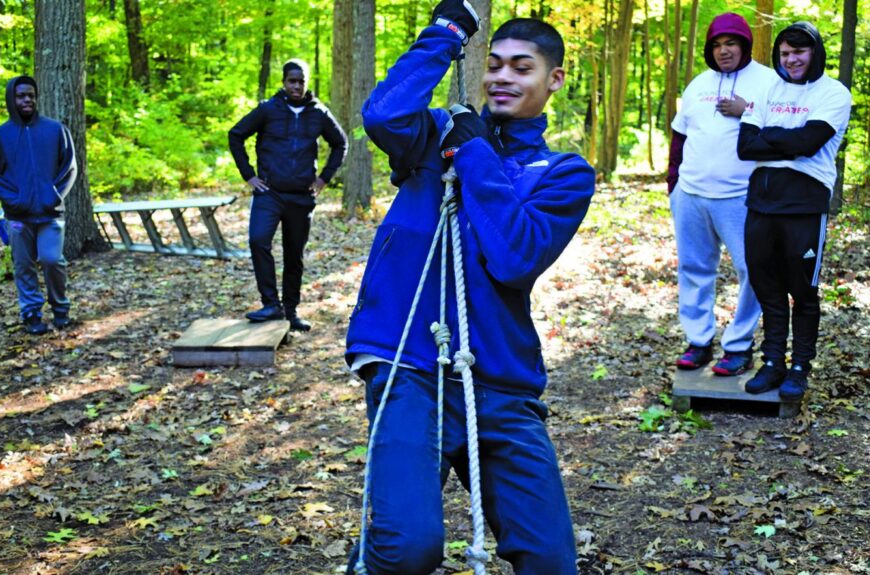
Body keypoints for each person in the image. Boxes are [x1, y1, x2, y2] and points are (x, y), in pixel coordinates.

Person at [345, 1, 595, 573]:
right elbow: (383, 116)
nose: (503, 77)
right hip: (407, 362)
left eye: (522, 67)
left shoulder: (564, 173)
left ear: (553, 79)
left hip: (500, 380)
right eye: (496, 64)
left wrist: (475, 151)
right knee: (408, 549)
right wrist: (445, 34)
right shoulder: (433, 134)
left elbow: (514, 256)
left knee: (551, 560)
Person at [737, 22, 851, 400]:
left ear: (815, 53)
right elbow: (745, 147)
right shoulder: (765, 88)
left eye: (799, 52)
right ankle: (772, 363)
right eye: (785, 53)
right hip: (761, 202)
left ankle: (799, 367)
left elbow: (809, 141)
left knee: (802, 291)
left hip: (804, 203)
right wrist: (788, 140)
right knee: (767, 287)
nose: (792, 59)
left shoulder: (833, 93)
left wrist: (770, 135)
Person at [667, 13, 777, 375]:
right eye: (716, 44)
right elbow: (679, 137)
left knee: (753, 270)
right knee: (695, 268)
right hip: (692, 194)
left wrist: (747, 111)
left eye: (731, 43)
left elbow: (783, 131)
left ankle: (739, 345)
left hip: (742, 197)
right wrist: (674, 186)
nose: (723, 51)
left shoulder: (769, 82)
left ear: (745, 44)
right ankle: (698, 341)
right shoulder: (699, 83)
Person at [228, 59, 347, 332]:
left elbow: (340, 143)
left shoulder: (319, 113)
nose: (296, 85)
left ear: (307, 83)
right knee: (259, 241)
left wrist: (323, 178)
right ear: (284, 82)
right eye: (292, 80)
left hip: (301, 197)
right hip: (269, 192)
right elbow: (235, 135)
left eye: (301, 81)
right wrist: (249, 175)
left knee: (294, 255)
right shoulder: (268, 110)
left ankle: (290, 311)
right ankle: (270, 304)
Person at [0, 75, 77, 336]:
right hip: (18, 216)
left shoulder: (55, 130)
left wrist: (54, 195)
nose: (27, 100)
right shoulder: (0, 137)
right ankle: (32, 314)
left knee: (51, 260)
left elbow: (69, 167)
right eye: (21, 95)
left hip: (50, 214)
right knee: (23, 265)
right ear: (12, 98)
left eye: (31, 95)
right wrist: (15, 200)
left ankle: (60, 309)